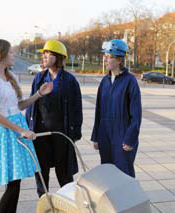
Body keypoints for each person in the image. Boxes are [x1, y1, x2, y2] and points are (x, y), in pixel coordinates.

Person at [0, 39, 53, 213]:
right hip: (6, 132)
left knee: (17, 181)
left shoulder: (6, 77)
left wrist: (39, 94)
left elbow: (18, 105)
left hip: (17, 129)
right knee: (11, 184)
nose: (14, 55)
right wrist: (21, 130)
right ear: (0, 55)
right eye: (11, 53)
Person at [26, 40, 83, 197]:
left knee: (64, 172)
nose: (44, 57)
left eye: (48, 54)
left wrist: (75, 133)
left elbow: (77, 109)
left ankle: (69, 202)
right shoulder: (39, 78)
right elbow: (32, 104)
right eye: (43, 54)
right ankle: (44, 203)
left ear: (58, 57)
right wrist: (28, 128)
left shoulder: (70, 81)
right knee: (41, 172)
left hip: (61, 134)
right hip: (40, 134)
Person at [91, 39, 142, 177]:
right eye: (104, 56)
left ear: (119, 60)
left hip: (122, 136)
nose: (105, 60)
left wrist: (130, 138)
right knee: (107, 173)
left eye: (108, 57)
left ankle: (130, 199)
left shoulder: (130, 81)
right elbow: (98, 112)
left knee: (124, 174)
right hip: (105, 134)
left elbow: (136, 114)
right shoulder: (104, 81)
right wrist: (96, 136)